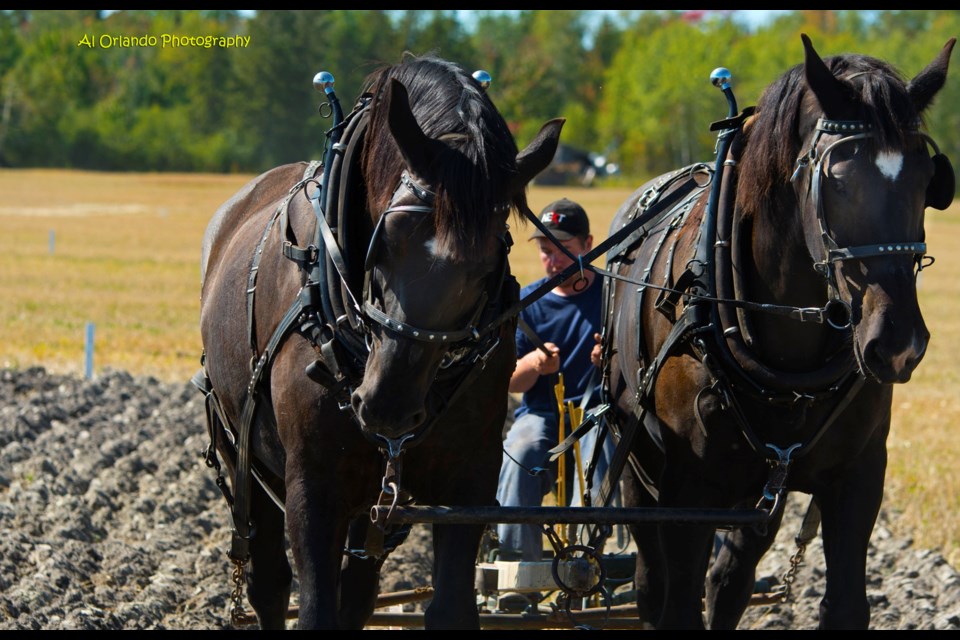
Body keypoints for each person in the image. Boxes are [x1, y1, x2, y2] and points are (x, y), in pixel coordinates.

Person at [495, 198, 618, 562]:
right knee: (518, 453)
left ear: (588, 245)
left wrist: (609, 363)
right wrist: (533, 363)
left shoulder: (613, 295)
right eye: (547, 250)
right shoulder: (526, 301)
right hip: (541, 416)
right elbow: (511, 382)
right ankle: (520, 570)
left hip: (597, 412)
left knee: (599, 456)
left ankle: (582, 560)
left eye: (564, 249)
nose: (554, 260)